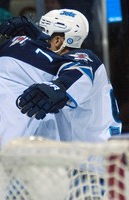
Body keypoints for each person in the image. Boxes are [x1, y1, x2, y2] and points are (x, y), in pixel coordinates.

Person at [13, 9, 122, 141]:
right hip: (85, 151)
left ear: (58, 40)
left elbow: (79, 71)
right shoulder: (60, 60)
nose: (39, 38)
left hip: (98, 155)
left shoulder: (85, 58)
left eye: (43, 31)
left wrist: (59, 87)